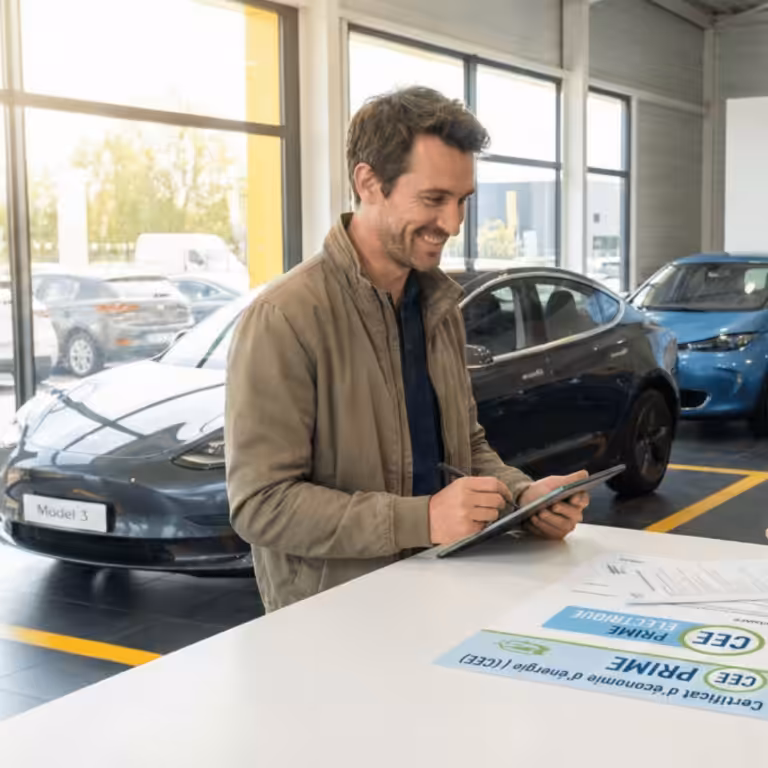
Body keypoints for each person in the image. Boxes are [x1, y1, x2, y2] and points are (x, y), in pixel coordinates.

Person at [225, 86, 589, 612]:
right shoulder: (286, 318)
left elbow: (466, 448)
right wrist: (420, 520)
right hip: (334, 622)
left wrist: (524, 497)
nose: (453, 224)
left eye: (462, 201)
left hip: (443, 592)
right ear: (368, 182)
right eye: (434, 199)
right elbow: (261, 506)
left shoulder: (437, 306)